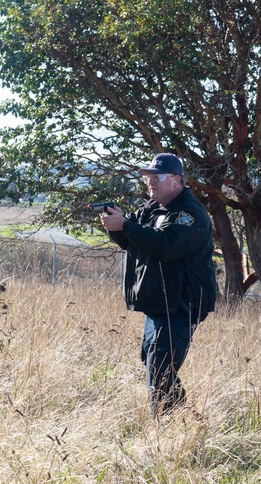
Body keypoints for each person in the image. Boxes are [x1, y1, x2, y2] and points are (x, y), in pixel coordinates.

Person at [100, 152, 217, 416]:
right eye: (148, 178)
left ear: (176, 181)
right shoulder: (151, 209)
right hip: (158, 303)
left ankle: (165, 429)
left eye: (157, 177)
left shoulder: (189, 213)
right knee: (153, 361)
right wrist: (115, 226)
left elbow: (165, 245)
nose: (150, 182)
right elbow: (133, 242)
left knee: (160, 366)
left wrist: (126, 225)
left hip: (180, 304)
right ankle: (186, 419)